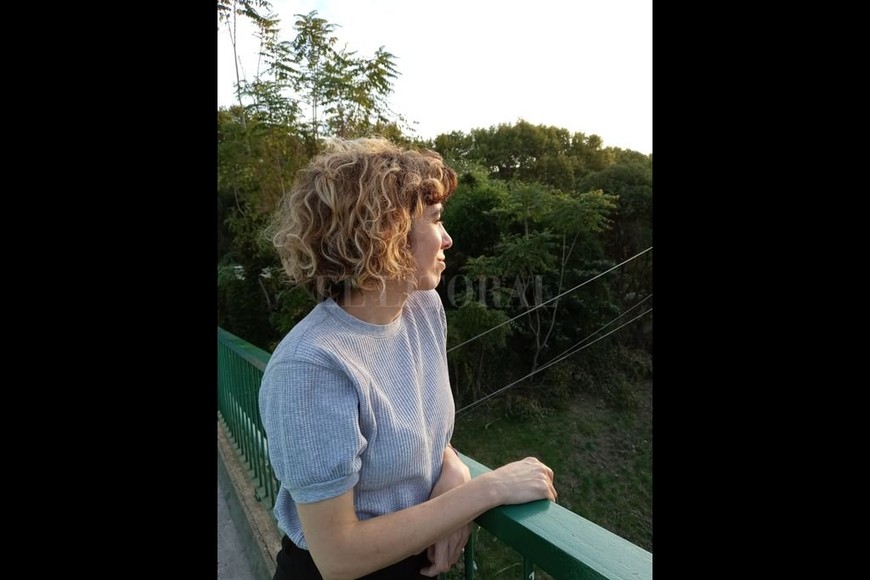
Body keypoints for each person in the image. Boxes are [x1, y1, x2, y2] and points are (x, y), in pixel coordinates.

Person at [258, 137, 557, 580]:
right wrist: (487, 490)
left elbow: (417, 432)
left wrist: (453, 472)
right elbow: (338, 556)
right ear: (388, 234)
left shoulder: (422, 310)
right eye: (435, 219)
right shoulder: (311, 367)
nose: (448, 239)